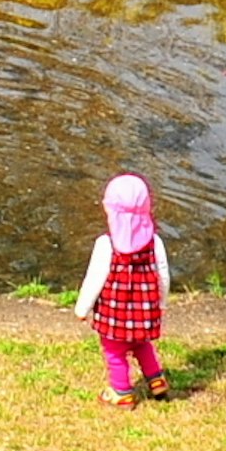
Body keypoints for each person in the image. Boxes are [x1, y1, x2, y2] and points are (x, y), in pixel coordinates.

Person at [71, 173, 173, 405]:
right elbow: (163, 275)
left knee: (115, 352)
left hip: (113, 316)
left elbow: (94, 278)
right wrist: (162, 302)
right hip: (144, 313)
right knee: (141, 344)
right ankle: (156, 380)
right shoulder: (155, 243)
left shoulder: (106, 244)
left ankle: (121, 392)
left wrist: (82, 307)